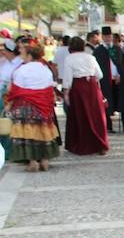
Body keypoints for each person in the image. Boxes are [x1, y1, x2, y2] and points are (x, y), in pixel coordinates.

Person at [6, 40, 60, 171]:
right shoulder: (45, 69)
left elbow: (15, 89)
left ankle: (32, 162)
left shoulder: (22, 70)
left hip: (26, 104)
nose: (22, 56)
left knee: (28, 132)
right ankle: (45, 160)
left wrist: (9, 104)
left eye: (23, 54)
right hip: (43, 105)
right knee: (43, 131)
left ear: (29, 55)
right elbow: (49, 87)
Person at [61, 36, 108, 156]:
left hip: (78, 87)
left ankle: (82, 144)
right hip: (92, 86)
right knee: (96, 115)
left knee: (80, 116)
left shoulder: (69, 58)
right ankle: (100, 144)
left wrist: (66, 91)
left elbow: (67, 77)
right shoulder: (90, 57)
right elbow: (100, 74)